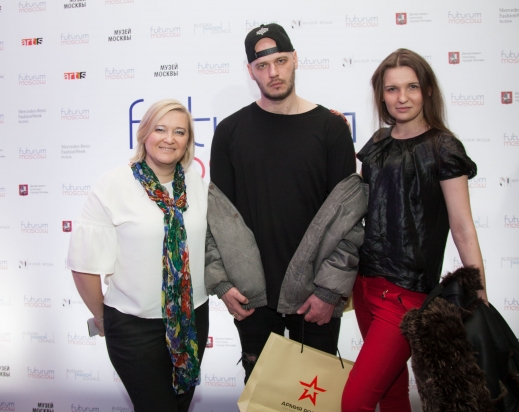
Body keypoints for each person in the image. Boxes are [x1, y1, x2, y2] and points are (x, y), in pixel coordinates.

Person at [205, 23, 364, 382]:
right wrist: (222, 284)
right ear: (250, 71)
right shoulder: (229, 132)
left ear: (295, 59)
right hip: (252, 298)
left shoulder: (331, 129)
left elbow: (350, 220)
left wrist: (329, 291)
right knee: (263, 398)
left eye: (280, 61)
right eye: (262, 65)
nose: (273, 73)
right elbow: (216, 218)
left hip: (316, 295)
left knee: (315, 399)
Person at [341, 48, 488, 412]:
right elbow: (357, 206)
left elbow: (462, 227)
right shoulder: (377, 144)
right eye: (392, 89)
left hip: (406, 296)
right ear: (381, 95)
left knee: (355, 401)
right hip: (365, 286)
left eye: (412, 87)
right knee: (391, 393)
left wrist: (479, 294)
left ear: (428, 91)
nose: (402, 97)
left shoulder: (444, 147)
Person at [67, 99, 209, 411]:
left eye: (179, 132)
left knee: (181, 406)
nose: (169, 138)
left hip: (191, 320)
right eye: (160, 129)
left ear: (188, 141)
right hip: (134, 329)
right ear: (144, 133)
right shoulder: (113, 185)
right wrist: (104, 319)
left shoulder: (196, 184)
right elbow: (84, 265)